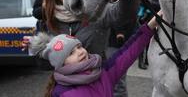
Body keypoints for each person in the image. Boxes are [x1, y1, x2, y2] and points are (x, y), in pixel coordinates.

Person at [28, 13, 160, 97]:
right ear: (61, 63)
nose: (80, 52)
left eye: (79, 46)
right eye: (71, 53)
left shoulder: (103, 72)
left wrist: (150, 26)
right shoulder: (62, 92)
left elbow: (128, 52)